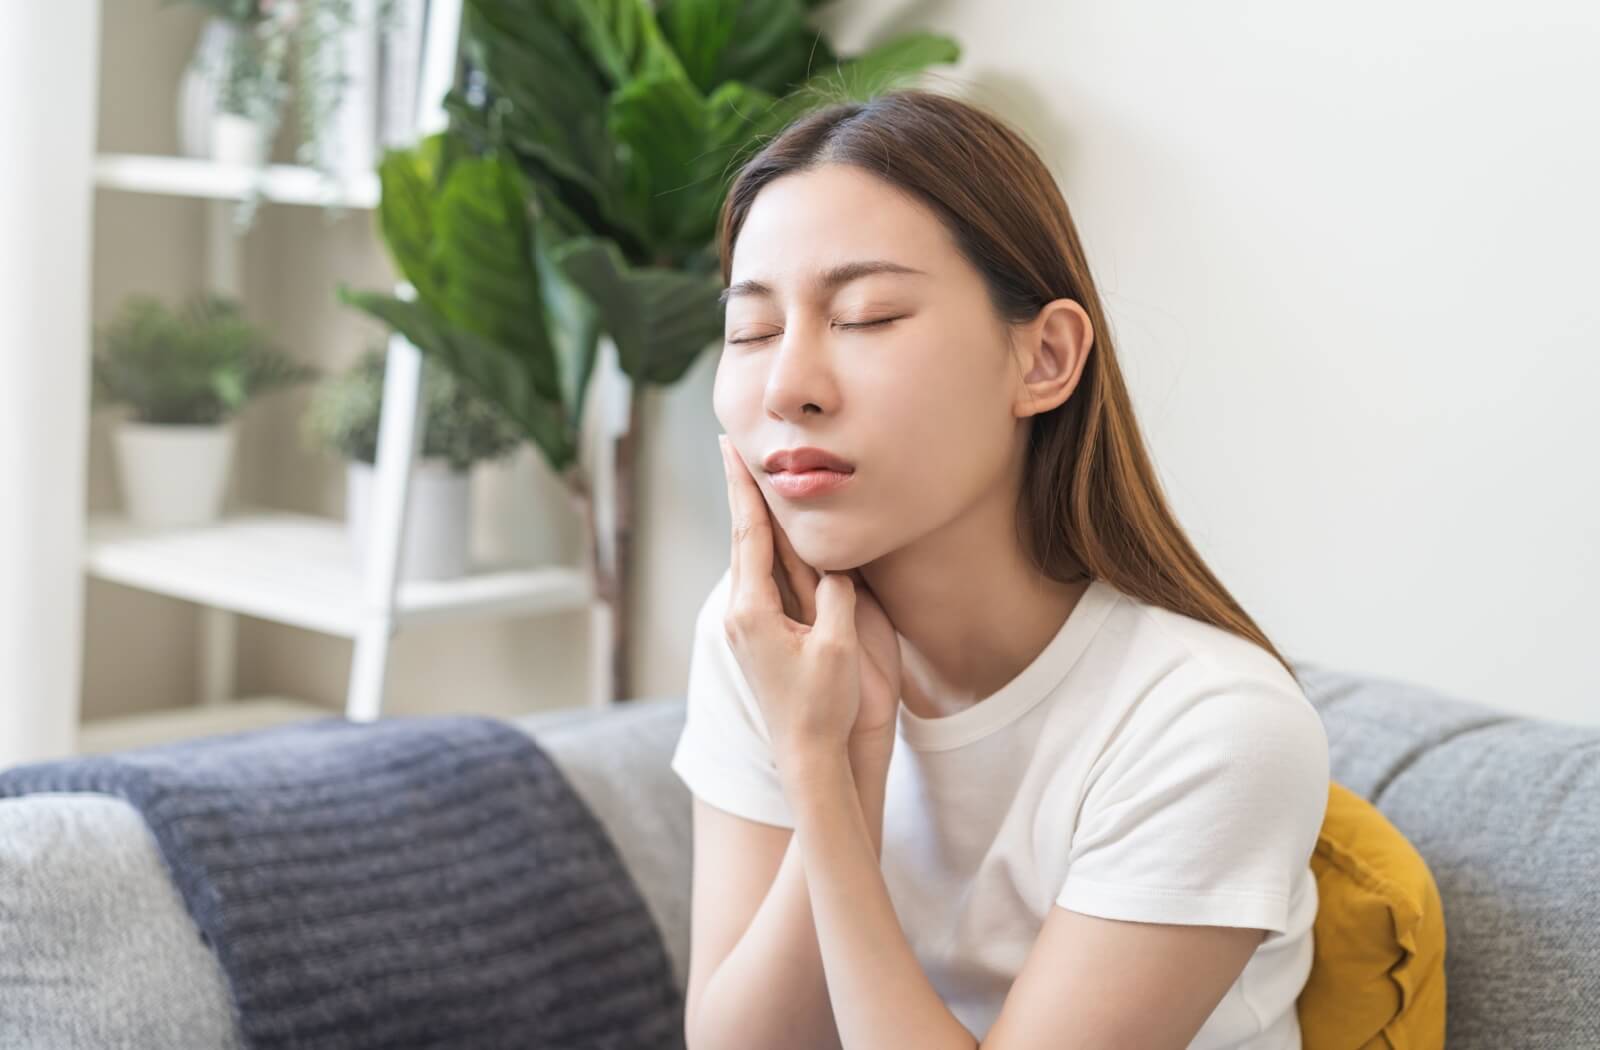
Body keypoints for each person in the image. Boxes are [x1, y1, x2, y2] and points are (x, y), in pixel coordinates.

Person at [671, 86, 1331, 1050]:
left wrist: (821, 765)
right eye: (753, 330)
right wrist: (841, 756)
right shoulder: (761, 638)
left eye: (865, 316)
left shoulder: (1213, 725)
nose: (786, 387)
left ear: (1044, 359)